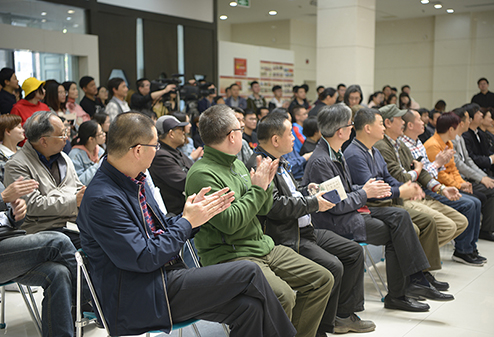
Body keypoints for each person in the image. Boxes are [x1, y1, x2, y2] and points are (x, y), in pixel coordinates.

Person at [77, 111, 296, 337]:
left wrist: (196, 215)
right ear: (138, 150)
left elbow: (159, 231)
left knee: (249, 308)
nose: (157, 151)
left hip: (161, 280)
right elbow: (143, 258)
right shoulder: (103, 199)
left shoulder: (133, 180)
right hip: (140, 295)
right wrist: (187, 222)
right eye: (156, 146)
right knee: (249, 271)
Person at [185, 105, 333, 337]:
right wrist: (257, 189)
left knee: (322, 278)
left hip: (261, 245)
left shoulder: (237, 164)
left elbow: (263, 206)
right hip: (231, 254)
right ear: (232, 136)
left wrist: (265, 185)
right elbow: (230, 223)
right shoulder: (202, 174)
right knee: (282, 295)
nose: (244, 133)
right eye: (241, 128)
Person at [303, 104, 445, 313]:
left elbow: (347, 190)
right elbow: (336, 204)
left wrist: (366, 189)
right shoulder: (322, 161)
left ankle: (412, 283)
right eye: (349, 124)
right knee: (399, 229)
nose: (352, 128)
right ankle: (406, 288)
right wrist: (366, 192)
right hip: (335, 222)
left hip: (351, 213)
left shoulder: (335, 152)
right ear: (340, 131)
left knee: (400, 217)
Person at [247, 112, 375, 335]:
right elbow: (274, 207)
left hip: (305, 228)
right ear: (275, 140)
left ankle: (342, 315)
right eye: (289, 134)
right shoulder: (260, 164)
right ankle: (319, 329)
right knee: (333, 266)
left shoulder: (280, 160)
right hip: (287, 235)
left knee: (352, 252)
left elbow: (290, 193)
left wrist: (308, 191)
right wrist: (312, 202)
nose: (294, 138)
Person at [343, 107, 453, 301]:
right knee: (401, 218)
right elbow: (373, 193)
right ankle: (415, 281)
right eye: (380, 123)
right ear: (367, 128)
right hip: (367, 209)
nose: (383, 128)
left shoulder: (374, 151)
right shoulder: (354, 154)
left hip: (381, 206)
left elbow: (389, 179)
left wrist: (407, 186)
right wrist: (401, 191)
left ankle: (408, 287)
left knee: (403, 222)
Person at [0, 177, 90, 337]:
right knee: (58, 241)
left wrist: (14, 216)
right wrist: (3, 198)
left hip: (10, 242)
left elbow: (6, 220)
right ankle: (93, 300)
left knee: (58, 272)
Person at [374, 106, 467, 251]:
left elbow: (422, 172)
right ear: (388, 123)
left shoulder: (400, 144)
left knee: (461, 222)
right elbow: (401, 177)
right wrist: (417, 171)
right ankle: (417, 265)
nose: (403, 123)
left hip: (416, 194)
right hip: (401, 198)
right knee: (447, 226)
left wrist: (441, 188)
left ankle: (416, 260)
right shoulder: (381, 146)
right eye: (399, 119)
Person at [4, 111, 85, 248]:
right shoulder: (16, 165)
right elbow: (33, 205)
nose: (66, 138)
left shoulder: (63, 157)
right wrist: (73, 201)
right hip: (44, 230)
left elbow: (77, 187)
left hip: (73, 224)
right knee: (93, 244)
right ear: (44, 141)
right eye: (62, 134)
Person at [423, 112, 485, 266]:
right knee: (469, 204)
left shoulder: (448, 144)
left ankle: (471, 247)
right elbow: (439, 175)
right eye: (457, 128)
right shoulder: (432, 145)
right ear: (451, 129)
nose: (459, 131)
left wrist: (461, 183)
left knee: (476, 202)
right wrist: (457, 185)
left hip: (447, 186)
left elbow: (454, 170)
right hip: (435, 189)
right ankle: (462, 250)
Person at [451, 107, 494, 242]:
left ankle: (484, 230)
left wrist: (484, 177)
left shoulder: (460, 138)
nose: (470, 121)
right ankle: (471, 240)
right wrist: (481, 178)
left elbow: (468, 161)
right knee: (481, 196)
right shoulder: (452, 140)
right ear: (461, 123)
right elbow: (460, 165)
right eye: (468, 118)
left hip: (466, 178)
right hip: (459, 180)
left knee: (490, 186)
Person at [148, 116, 192, 216]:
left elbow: (195, 168)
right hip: (175, 214)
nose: (184, 132)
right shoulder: (160, 155)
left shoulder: (174, 151)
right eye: (180, 130)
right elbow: (185, 182)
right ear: (171, 134)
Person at [68, 120, 105, 185]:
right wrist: (97, 164)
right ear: (91, 139)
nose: (104, 134)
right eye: (100, 134)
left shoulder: (100, 150)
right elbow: (79, 182)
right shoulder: (75, 155)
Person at [461, 103, 494, 175]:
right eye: (478, 113)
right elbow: (471, 159)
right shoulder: (465, 136)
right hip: (474, 173)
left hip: (485, 170)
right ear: (470, 118)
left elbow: (487, 152)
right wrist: (490, 160)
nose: (481, 114)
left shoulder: (480, 134)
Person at [0, 114, 24, 183]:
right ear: (8, 131)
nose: (23, 130)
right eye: (19, 127)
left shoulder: (23, 151)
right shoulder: (1, 156)